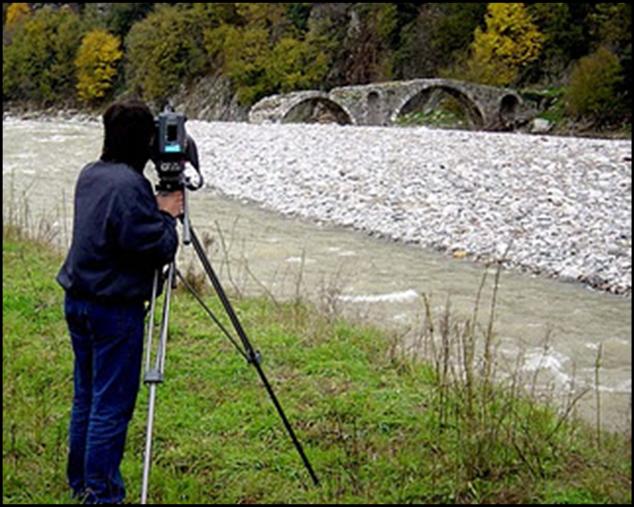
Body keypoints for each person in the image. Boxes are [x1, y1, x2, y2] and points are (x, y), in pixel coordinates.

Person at [57, 100, 183, 504]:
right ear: (144, 141)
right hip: (113, 308)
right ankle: (101, 493)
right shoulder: (130, 187)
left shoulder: (90, 174)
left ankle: (81, 483)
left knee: (86, 397)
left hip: (79, 300)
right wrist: (167, 216)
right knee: (111, 405)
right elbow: (155, 246)